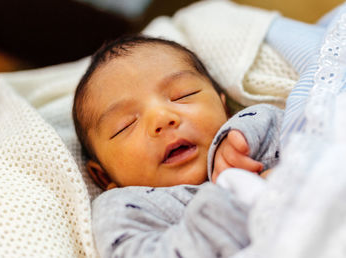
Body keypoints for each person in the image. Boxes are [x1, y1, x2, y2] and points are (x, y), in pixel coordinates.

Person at [72, 34, 282, 258]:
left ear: (225, 109)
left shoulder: (253, 130)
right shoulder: (125, 206)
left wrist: (242, 133)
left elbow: (306, 132)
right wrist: (232, 200)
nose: (162, 118)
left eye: (183, 95)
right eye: (126, 125)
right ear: (103, 177)